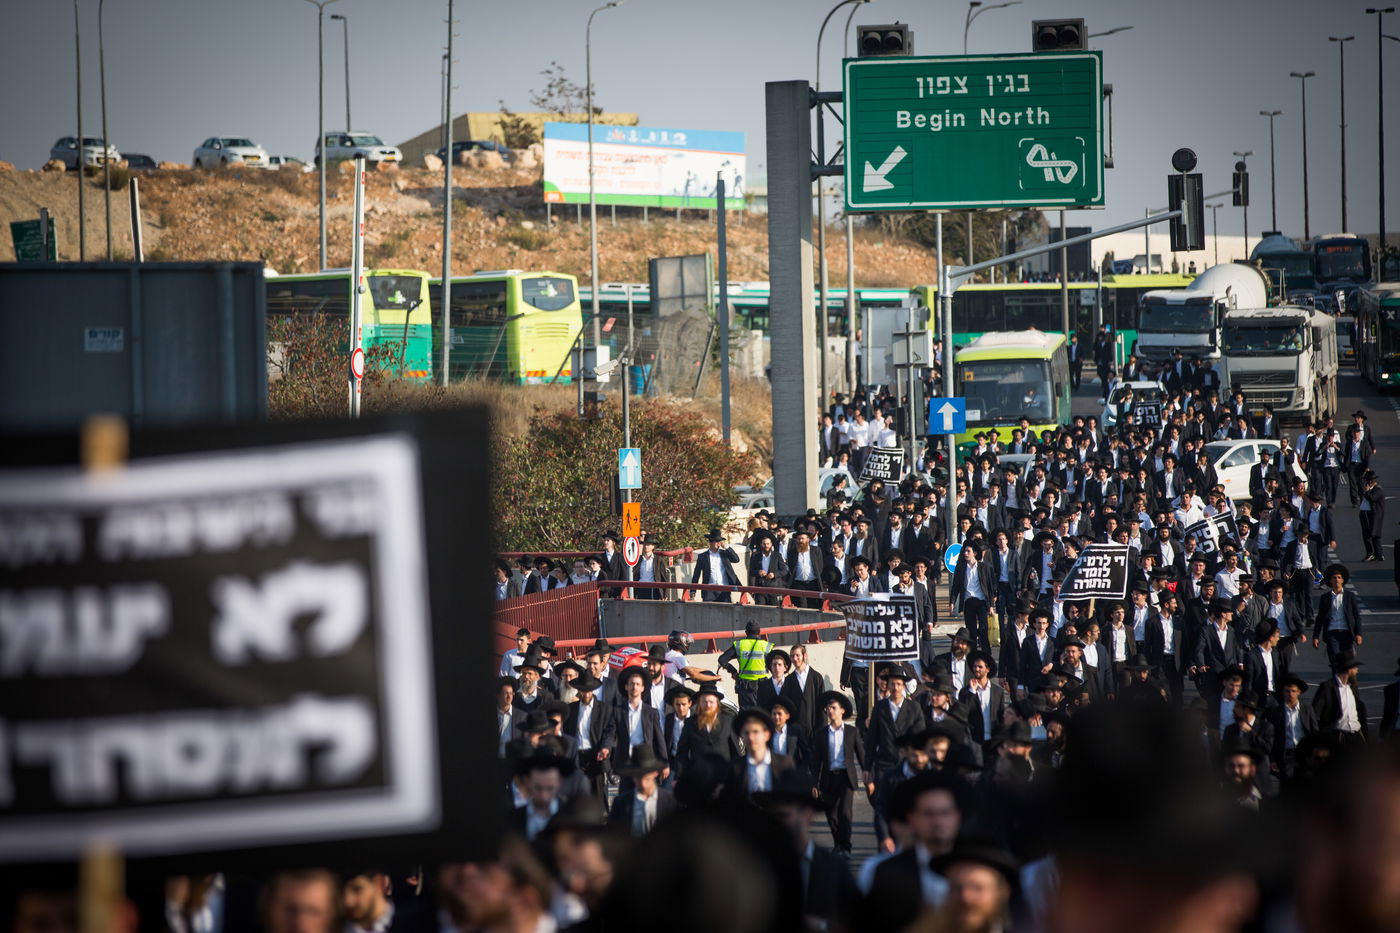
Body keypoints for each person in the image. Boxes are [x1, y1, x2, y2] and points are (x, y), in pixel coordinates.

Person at [1312, 563, 1362, 668]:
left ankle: (1346, 683)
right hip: (1332, 633)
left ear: (1343, 580)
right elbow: (1320, 618)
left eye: (1339, 578)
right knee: (1335, 661)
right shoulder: (1325, 597)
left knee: (1347, 662)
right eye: (1334, 578)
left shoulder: (1350, 596)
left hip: (1347, 633)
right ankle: (1336, 682)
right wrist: (1315, 636)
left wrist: (1358, 634)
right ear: (1330, 581)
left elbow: (1356, 616)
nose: (1337, 580)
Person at [1313, 650, 1367, 745]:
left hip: (1357, 736)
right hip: (1338, 737)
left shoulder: (1353, 687)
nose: (1357, 671)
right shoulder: (1327, 687)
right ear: (1349, 670)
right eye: (1355, 668)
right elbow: (1314, 714)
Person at [717, 621, 773, 709]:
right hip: (763, 685)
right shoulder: (766, 646)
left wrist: (733, 671)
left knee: (746, 716)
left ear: (746, 632)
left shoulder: (739, 645)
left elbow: (722, 659)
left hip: (745, 687)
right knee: (763, 713)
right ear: (759, 633)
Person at [690, 527, 740, 601]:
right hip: (709, 590)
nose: (718, 543)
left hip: (724, 589)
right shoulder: (703, 556)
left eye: (719, 541)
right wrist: (693, 591)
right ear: (710, 542)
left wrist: (727, 547)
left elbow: (736, 559)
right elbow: (696, 574)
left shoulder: (724, 554)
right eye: (716, 541)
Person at [1359, 469, 1386, 561]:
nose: (1365, 482)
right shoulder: (1370, 488)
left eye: (1367, 480)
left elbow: (1372, 498)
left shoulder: (1378, 489)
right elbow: (1359, 481)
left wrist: (1366, 492)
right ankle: (1375, 554)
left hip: (1372, 515)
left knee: (1373, 535)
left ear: (1370, 481)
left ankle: (1376, 553)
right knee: (1368, 535)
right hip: (1364, 514)